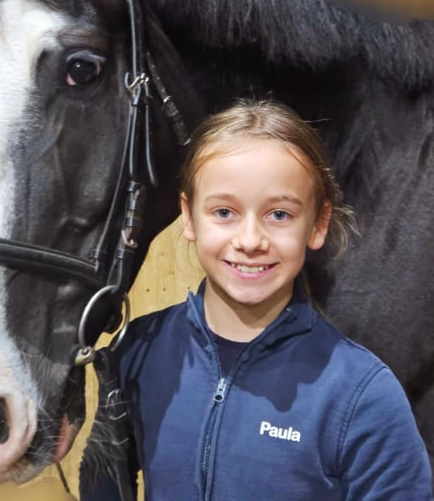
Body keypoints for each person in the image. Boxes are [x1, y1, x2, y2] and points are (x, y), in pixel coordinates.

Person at [80, 99, 433, 500]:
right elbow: (102, 484)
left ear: (317, 224)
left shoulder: (362, 393)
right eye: (225, 212)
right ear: (189, 217)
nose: (250, 241)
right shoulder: (137, 352)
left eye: (279, 215)